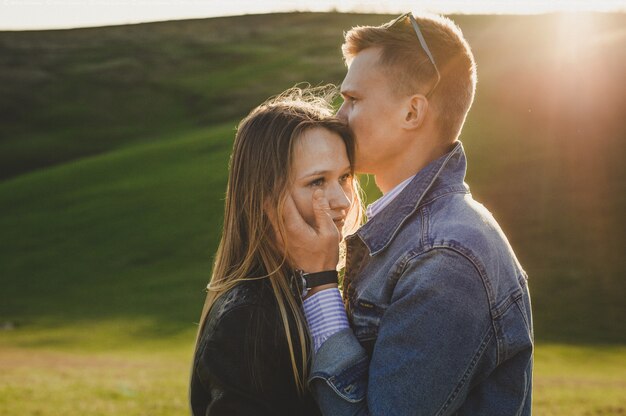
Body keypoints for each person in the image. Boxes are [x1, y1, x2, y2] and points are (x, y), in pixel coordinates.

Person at [281, 13, 534, 415]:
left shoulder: (446, 257)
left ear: (412, 113)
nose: (338, 117)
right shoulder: (419, 235)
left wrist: (320, 281)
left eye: (353, 100)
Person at [189, 87, 363, 415]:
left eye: (344, 177)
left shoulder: (317, 288)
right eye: (317, 182)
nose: (342, 200)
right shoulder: (248, 319)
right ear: (267, 199)